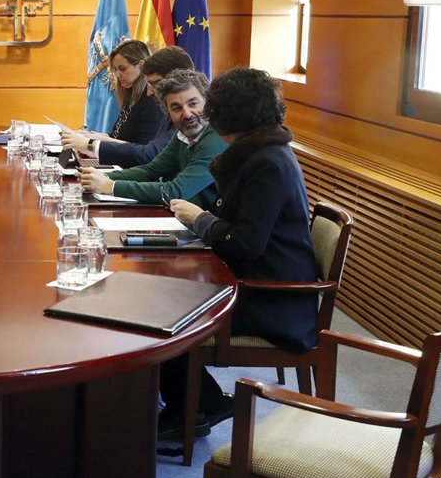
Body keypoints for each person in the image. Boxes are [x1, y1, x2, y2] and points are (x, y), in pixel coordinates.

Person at [164, 68, 319, 440]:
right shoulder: (260, 152)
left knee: (162, 313)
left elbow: (244, 243)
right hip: (255, 281)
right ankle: (197, 402)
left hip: (272, 299)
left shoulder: (267, 163)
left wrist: (200, 219)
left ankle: (196, 407)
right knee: (162, 293)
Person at [79, 68, 225, 208]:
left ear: (207, 101)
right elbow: (151, 171)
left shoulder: (217, 137)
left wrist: (110, 186)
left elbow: (175, 191)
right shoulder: (183, 132)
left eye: (193, 104)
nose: (187, 114)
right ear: (167, 113)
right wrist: (101, 176)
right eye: (176, 108)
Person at [61, 45, 193, 168]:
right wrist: (95, 138)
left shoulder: (169, 111)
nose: (149, 92)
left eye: (122, 68)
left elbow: (147, 154)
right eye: (115, 70)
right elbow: (150, 168)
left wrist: (91, 145)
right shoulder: (140, 100)